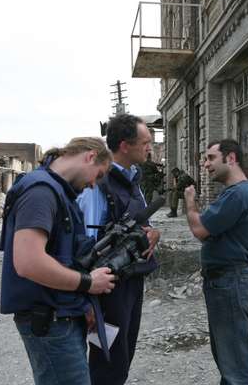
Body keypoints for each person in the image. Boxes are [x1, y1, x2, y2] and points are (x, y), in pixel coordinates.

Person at [0, 137, 117, 385]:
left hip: (61, 314)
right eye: (99, 174)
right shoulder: (41, 192)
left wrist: (82, 305)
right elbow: (28, 262)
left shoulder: (60, 192)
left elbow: (64, 256)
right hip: (50, 321)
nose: (95, 184)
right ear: (90, 156)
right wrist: (87, 283)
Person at [77, 114, 161, 385]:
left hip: (132, 279)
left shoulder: (133, 178)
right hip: (107, 287)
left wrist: (153, 235)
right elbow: (88, 242)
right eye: (146, 142)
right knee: (107, 359)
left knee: (123, 354)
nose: (151, 147)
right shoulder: (97, 183)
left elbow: (141, 221)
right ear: (125, 145)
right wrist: (88, 297)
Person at [183, 139, 248, 385]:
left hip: (231, 281)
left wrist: (189, 200)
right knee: (229, 355)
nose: (205, 165)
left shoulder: (237, 194)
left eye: (210, 158)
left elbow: (200, 229)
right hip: (228, 280)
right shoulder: (235, 193)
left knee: (234, 361)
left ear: (230, 158)